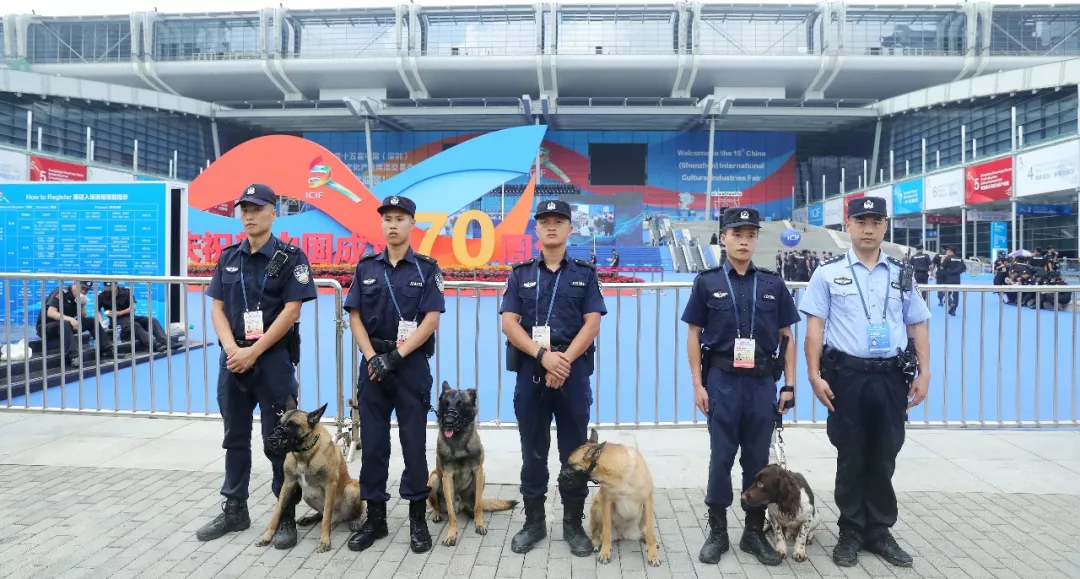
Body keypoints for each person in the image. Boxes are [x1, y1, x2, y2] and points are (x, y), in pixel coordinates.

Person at [799, 196, 931, 569]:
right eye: (861, 222)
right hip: (847, 377)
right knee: (851, 454)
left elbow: (916, 323)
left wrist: (925, 372)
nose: (868, 229)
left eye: (875, 222)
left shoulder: (902, 274)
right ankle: (851, 530)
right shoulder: (827, 273)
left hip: (891, 378)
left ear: (885, 226)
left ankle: (879, 530)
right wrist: (813, 374)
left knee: (885, 453)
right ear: (849, 226)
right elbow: (815, 328)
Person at [196, 183, 317, 548]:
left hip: (273, 359)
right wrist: (233, 348)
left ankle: (285, 515)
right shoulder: (228, 257)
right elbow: (217, 307)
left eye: (256, 209)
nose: (248, 216)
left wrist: (254, 351)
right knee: (234, 436)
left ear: (273, 213)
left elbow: (291, 311)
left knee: (278, 440)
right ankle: (235, 509)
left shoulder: (291, 257)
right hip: (234, 359)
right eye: (244, 210)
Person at [680, 207, 799, 566]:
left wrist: (789, 385)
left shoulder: (773, 284)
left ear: (757, 239)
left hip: (762, 383)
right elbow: (693, 334)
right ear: (724, 238)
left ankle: (752, 532)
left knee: (756, 461)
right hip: (722, 382)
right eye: (737, 234)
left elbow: (787, 336)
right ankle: (717, 531)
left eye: (750, 235)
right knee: (721, 457)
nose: (744, 241)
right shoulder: (707, 282)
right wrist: (698, 384)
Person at [500, 199, 606, 557]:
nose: (551, 226)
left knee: (574, 453)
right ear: (536, 228)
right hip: (532, 369)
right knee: (533, 451)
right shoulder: (520, 274)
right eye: (544, 221)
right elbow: (509, 323)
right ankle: (534, 522)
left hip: (572, 372)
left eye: (559, 221)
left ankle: (573, 524)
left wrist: (563, 362)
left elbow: (592, 322)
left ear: (570, 229)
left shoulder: (585, 273)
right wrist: (543, 357)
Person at [345, 195, 444, 555]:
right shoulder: (366, 267)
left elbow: (431, 319)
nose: (392, 224)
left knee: (413, 445)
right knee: (373, 445)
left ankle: (417, 518)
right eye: (387, 218)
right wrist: (373, 358)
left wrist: (397, 357)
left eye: (400, 218)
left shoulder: (427, 269)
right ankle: (376, 519)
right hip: (373, 366)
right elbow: (354, 315)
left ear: (412, 223)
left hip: (410, 366)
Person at [37, 280, 114, 367]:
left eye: (86, 290)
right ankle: (74, 356)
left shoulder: (78, 297)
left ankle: (106, 349)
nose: (84, 291)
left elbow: (83, 316)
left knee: (91, 321)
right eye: (82, 288)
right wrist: (70, 319)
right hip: (46, 327)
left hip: (65, 327)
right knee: (65, 323)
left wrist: (82, 304)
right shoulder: (61, 292)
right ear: (74, 284)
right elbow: (51, 313)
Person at [96, 281, 169, 353]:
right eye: (107, 287)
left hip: (130, 317)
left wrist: (118, 313)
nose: (109, 289)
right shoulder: (102, 296)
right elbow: (97, 310)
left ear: (116, 284)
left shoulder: (126, 292)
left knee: (152, 320)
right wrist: (102, 322)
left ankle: (166, 342)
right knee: (135, 325)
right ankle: (155, 345)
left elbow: (133, 307)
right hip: (118, 322)